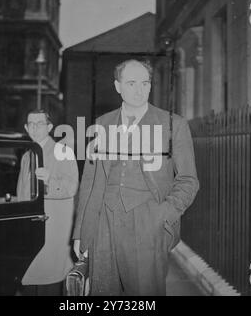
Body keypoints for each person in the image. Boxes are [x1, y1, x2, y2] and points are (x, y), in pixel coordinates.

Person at [72, 59, 200, 296]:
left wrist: (162, 216)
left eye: (145, 83)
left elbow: (188, 180)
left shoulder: (174, 125)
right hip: (103, 225)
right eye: (131, 83)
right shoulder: (102, 123)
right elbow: (89, 183)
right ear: (118, 86)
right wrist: (81, 232)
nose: (139, 89)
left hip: (147, 226)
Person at [17, 109, 79, 296]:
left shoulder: (62, 151)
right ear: (26, 128)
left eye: (40, 123)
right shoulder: (27, 155)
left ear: (50, 127)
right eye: (31, 124)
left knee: (48, 285)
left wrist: (50, 179)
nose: (34, 128)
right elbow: (22, 193)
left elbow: (71, 187)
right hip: (31, 231)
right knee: (28, 283)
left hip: (52, 235)